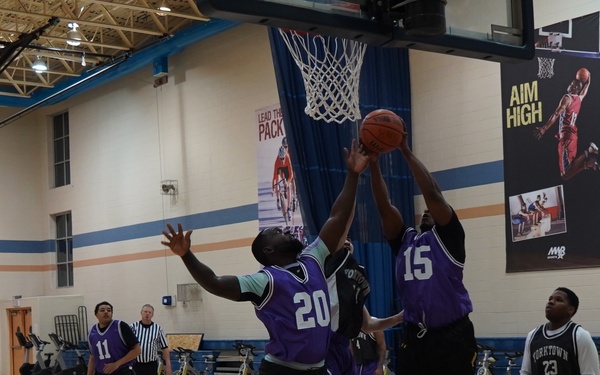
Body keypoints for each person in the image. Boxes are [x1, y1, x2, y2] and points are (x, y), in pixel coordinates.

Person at [161, 140, 370, 375]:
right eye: (278, 233)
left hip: (318, 369)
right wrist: (186, 255)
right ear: (269, 251)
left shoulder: (314, 258)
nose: (287, 230)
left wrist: (353, 175)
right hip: (281, 370)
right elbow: (215, 282)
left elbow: (338, 218)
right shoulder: (265, 281)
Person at [369, 125, 477, 375]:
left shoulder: (450, 238)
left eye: (433, 209)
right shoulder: (403, 240)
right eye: (425, 210)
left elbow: (432, 192)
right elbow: (384, 206)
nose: (428, 210)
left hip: (452, 336)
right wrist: (374, 164)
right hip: (414, 336)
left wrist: (404, 151)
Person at [324, 236, 403, 375]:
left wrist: (400, 317)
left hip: (342, 350)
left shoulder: (352, 283)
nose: (347, 242)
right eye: (343, 239)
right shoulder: (323, 273)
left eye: (349, 239)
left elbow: (368, 325)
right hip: (324, 348)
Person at [520, 287, 600, 375]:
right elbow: (525, 372)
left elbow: (591, 373)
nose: (551, 302)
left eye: (558, 300)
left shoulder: (580, 336)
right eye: (550, 299)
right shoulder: (533, 335)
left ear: (570, 309)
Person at [533, 73, 597, 180]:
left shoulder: (567, 98)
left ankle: (589, 152)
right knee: (570, 167)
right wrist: (588, 81)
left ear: (575, 87)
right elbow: (584, 91)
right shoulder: (578, 99)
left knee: (565, 175)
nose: (569, 85)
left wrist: (544, 128)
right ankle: (588, 159)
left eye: (571, 84)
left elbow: (556, 113)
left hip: (566, 136)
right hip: (573, 135)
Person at [87, 301, 141, 375]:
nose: (106, 312)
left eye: (109, 310)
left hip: (122, 372)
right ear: (96, 315)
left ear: (112, 314)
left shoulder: (121, 326)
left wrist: (117, 364)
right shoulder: (91, 332)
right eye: (102, 310)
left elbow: (137, 350)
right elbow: (93, 357)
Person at [130, 304, 172, 375]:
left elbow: (164, 347)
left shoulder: (158, 328)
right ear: (141, 313)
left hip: (151, 364)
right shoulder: (133, 327)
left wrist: (168, 365)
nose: (147, 314)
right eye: (145, 311)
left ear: (152, 315)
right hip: (136, 364)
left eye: (150, 312)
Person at [272, 137, 296, 220]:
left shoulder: (288, 156)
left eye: (283, 158)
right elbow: (274, 177)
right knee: (277, 182)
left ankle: (289, 208)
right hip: (280, 169)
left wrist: (288, 181)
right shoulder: (277, 161)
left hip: (287, 168)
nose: (282, 160)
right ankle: (278, 200)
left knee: (288, 185)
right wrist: (274, 187)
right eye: (280, 158)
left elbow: (291, 173)